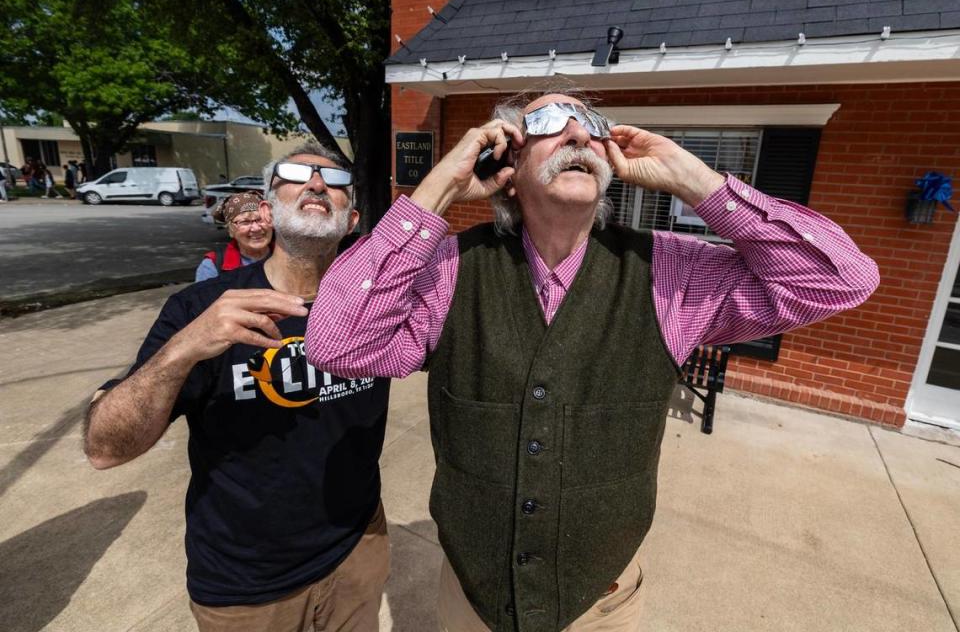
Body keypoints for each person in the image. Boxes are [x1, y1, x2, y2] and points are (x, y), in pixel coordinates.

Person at [305, 91, 880, 631]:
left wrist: (698, 181)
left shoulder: (670, 273)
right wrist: (438, 189)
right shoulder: (452, 268)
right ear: (506, 164)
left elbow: (841, 280)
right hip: (471, 601)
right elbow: (338, 341)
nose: (578, 132)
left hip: (600, 606)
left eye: (590, 124)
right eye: (550, 123)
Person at [84, 142, 392, 631]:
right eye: (297, 174)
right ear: (267, 210)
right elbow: (105, 448)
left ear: (351, 219)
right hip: (246, 583)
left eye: (334, 181)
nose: (316, 183)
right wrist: (185, 348)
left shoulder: (379, 306)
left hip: (357, 549)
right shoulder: (200, 308)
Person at [195, 191, 274, 282]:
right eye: (245, 222)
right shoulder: (212, 266)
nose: (256, 228)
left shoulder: (288, 255)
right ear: (231, 230)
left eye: (261, 219)